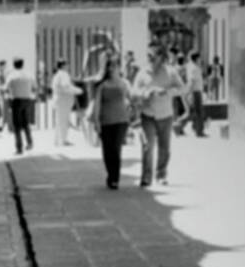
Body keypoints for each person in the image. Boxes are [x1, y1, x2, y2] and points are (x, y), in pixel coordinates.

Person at [132, 45, 186, 186]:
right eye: (148, 56)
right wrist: (145, 93)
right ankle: (146, 176)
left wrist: (167, 92)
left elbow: (182, 88)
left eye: (152, 56)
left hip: (165, 114)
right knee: (147, 146)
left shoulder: (171, 72)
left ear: (161, 57)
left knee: (164, 148)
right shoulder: (142, 72)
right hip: (147, 114)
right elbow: (133, 91)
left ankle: (161, 174)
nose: (149, 59)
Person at [89, 57, 132, 189]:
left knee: (116, 149)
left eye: (114, 66)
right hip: (106, 121)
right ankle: (110, 174)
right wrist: (96, 121)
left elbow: (130, 99)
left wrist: (131, 110)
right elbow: (97, 104)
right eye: (109, 66)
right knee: (107, 151)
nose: (112, 69)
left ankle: (115, 179)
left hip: (121, 120)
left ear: (119, 68)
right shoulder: (102, 85)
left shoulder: (124, 83)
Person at [5, 57, 35, 155]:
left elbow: (6, 87)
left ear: (14, 65)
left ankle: (19, 148)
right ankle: (30, 143)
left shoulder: (12, 76)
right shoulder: (29, 75)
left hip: (16, 100)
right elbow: (35, 87)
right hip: (27, 100)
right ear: (23, 64)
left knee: (17, 125)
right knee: (26, 123)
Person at [51, 59, 82, 146]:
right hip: (63, 101)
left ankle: (58, 140)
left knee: (59, 121)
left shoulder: (57, 75)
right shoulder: (64, 74)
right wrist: (77, 90)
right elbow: (66, 87)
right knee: (63, 121)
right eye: (67, 64)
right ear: (63, 65)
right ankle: (63, 141)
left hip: (59, 100)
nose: (68, 66)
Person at [184, 51, 206, 137]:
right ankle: (199, 131)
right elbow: (192, 81)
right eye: (199, 57)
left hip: (197, 91)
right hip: (196, 92)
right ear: (196, 58)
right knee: (199, 112)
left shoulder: (194, 67)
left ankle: (196, 129)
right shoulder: (194, 68)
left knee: (196, 112)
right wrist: (188, 92)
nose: (200, 59)